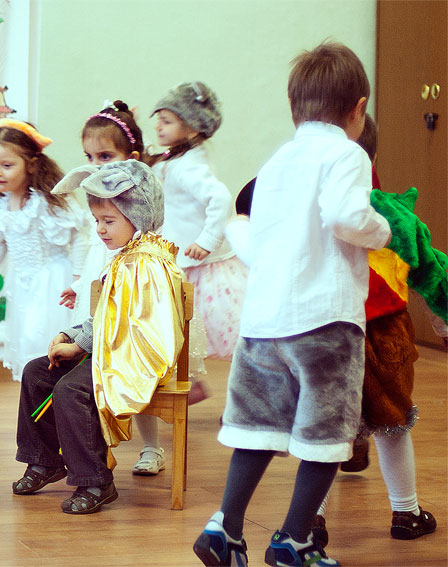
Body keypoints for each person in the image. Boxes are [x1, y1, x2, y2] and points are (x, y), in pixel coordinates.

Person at [193, 42, 391, 567]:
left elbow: (251, 235)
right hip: (325, 321)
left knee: (257, 428)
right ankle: (294, 541)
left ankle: (225, 527)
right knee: (328, 434)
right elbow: (347, 216)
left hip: (263, 323)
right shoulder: (348, 154)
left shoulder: (278, 161)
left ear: (294, 107)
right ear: (359, 108)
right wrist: (383, 230)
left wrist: (239, 233)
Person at [11, 160, 185, 514]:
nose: (101, 230)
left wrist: (79, 347)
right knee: (36, 373)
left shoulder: (146, 263)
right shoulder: (126, 258)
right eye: (97, 221)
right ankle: (45, 461)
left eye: (109, 221)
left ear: (138, 216)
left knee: (71, 389)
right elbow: (105, 317)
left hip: (134, 360)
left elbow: (134, 328)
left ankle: (96, 481)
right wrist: (72, 334)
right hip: (109, 352)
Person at [311, 114, 444, 545]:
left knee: (324, 432)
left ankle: (310, 521)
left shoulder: (311, 209)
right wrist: (443, 324)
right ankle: (407, 513)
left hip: (329, 328)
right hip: (386, 332)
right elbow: (432, 274)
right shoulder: (394, 213)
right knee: (393, 425)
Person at [61, 100, 208, 478]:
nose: (97, 166)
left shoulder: (139, 229)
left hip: (135, 312)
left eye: (106, 157)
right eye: (90, 158)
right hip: (105, 293)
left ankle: (151, 446)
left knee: (131, 366)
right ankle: (88, 450)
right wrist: (79, 286)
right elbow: (95, 261)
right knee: (88, 373)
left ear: (133, 159)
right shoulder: (106, 222)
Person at [0, 119, 88, 381]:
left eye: (7, 165)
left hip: (54, 283)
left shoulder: (46, 201)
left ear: (31, 165)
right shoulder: (1, 206)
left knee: (44, 338)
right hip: (23, 287)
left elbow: (77, 235)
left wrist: (78, 280)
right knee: (27, 340)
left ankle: (57, 392)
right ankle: (36, 393)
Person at [149, 81, 247, 361]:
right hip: (183, 255)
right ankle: (187, 374)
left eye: (167, 121)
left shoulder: (189, 166)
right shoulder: (178, 158)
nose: (158, 126)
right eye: (159, 120)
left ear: (192, 129)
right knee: (181, 326)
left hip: (198, 263)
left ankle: (193, 375)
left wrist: (207, 240)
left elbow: (221, 198)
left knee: (194, 323)